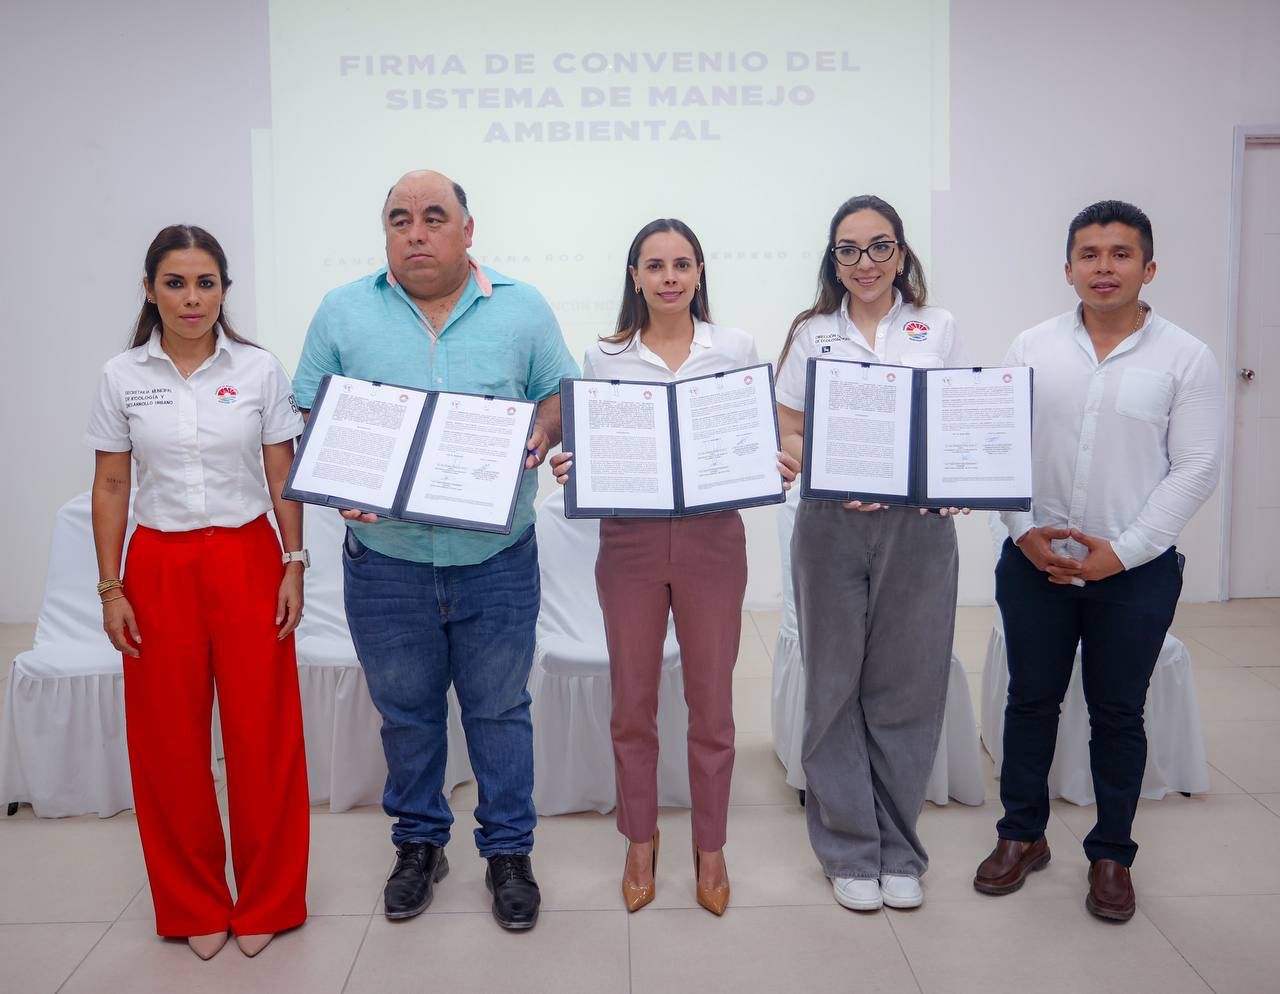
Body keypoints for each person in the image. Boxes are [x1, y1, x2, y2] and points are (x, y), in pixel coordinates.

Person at [292, 170, 578, 931]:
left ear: (467, 229)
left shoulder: (522, 308)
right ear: (385, 233)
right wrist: (334, 475)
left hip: (497, 559)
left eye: (432, 217)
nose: (415, 232)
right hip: (385, 562)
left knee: (500, 712)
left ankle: (509, 855)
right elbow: (310, 411)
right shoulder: (343, 312)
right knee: (407, 715)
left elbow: (558, 392)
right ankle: (419, 844)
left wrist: (545, 429)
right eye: (399, 219)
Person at [973, 200, 1223, 922]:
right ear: (1068, 268)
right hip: (1035, 561)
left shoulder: (1187, 357)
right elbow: (999, 448)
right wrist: (1024, 533)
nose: (1103, 267)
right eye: (1089, 254)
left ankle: (1112, 851)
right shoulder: (1031, 347)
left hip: (1135, 571)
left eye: (1119, 255)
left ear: (1148, 267)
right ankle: (1021, 835)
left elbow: (1196, 468)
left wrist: (1125, 552)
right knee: (1031, 701)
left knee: (1118, 711)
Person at [551, 218, 798, 915]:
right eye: (654, 265)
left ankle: (711, 845)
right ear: (634, 276)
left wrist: (776, 458)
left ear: (698, 273)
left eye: (681, 264)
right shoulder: (604, 357)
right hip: (628, 542)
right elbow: (583, 445)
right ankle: (639, 838)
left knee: (712, 705)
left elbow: (761, 437)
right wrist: (573, 465)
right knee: (632, 703)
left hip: (712, 541)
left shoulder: (736, 349)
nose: (668, 277)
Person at [87, 225, 310, 960]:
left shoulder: (257, 370)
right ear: (150, 289)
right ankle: (191, 901)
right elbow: (113, 482)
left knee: (262, 736)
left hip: (248, 559)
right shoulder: (123, 375)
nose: (192, 298)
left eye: (206, 282)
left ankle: (269, 899)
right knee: (168, 744)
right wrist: (112, 586)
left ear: (224, 291)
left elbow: (281, 477)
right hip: (158, 566)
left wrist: (293, 562)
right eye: (176, 283)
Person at [775, 195, 970, 913]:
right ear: (833, 259)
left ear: (902, 253)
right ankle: (849, 846)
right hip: (830, 524)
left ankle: (900, 847)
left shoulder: (936, 327)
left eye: (879, 247)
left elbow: (954, 423)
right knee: (833, 686)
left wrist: (953, 481)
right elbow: (789, 428)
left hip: (917, 529)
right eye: (849, 250)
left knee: (908, 686)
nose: (865, 263)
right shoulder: (811, 333)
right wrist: (815, 464)